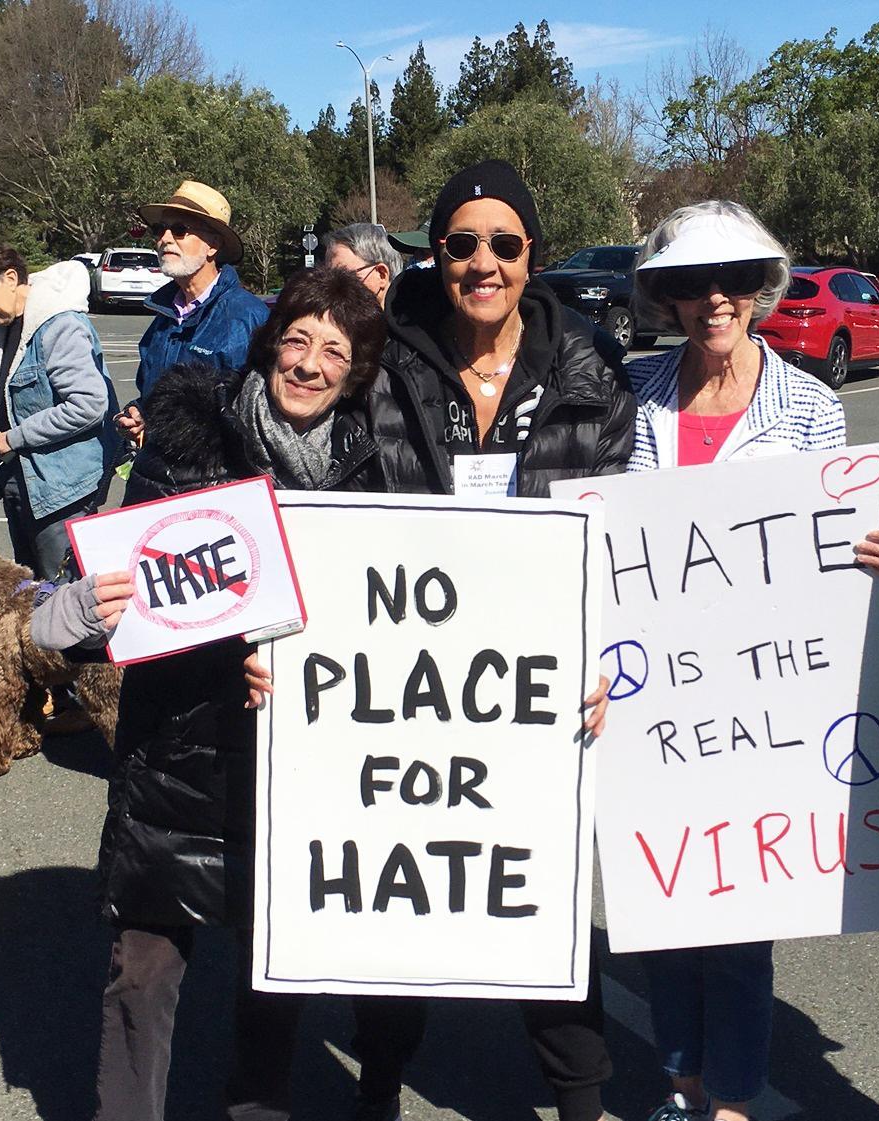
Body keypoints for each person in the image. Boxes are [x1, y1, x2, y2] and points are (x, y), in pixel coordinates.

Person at [249, 158, 633, 1121]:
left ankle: (580, 1100)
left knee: (541, 902)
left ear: (530, 254)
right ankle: (378, 1087)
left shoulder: (591, 369)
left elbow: (626, 530)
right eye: (462, 243)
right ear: (440, 254)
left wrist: (608, 657)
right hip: (409, 673)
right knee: (402, 903)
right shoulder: (393, 361)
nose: (483, 262)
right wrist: (277, 641)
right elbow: (323, 494)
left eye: (504, 243)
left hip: (533, 683)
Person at [94, 267, 386, 1121]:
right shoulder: (187, 436)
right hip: (177, 752)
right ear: (268, 344)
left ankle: (256, 1107)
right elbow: (130, 597)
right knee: (142, 968)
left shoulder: (365, 466)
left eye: (335, 351)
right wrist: (233, 654)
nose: (309, 364)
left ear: (357, 371)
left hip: (297, 766)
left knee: (275, 966)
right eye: (296, 339)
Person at [625, 199, 845, 1121]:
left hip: (766, 700)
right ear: (666, 298)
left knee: (742, 924)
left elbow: (835, 554)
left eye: (734, 281)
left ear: (761, 291)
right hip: (653, 698)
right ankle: (679, 1083)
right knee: (664, 910)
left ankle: (733, 1098)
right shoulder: (633, 397)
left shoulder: (813, 410)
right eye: (688, 284)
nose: (713, 299)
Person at [0, 244, 118, 580]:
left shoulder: (59, 325)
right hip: (20, 481)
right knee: (32, 597)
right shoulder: (3, 327)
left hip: (61, 491)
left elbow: (87, 404)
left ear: (11, 277)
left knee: (65, 603)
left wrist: (15, 437)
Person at [119, 180, 269, 444]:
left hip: (216, 479)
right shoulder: (164, 314)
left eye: (179, 230)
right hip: (157, 475)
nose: (164, 239)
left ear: (213, 245)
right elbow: (152, 395)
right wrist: (141, 414)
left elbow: (261, 419)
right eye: (159, 229)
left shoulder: (248, 317)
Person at [323, 222, 404, 307]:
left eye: (341, 276)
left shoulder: (412, 317)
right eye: (327, 275)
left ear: (381, 274)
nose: (329, 286)